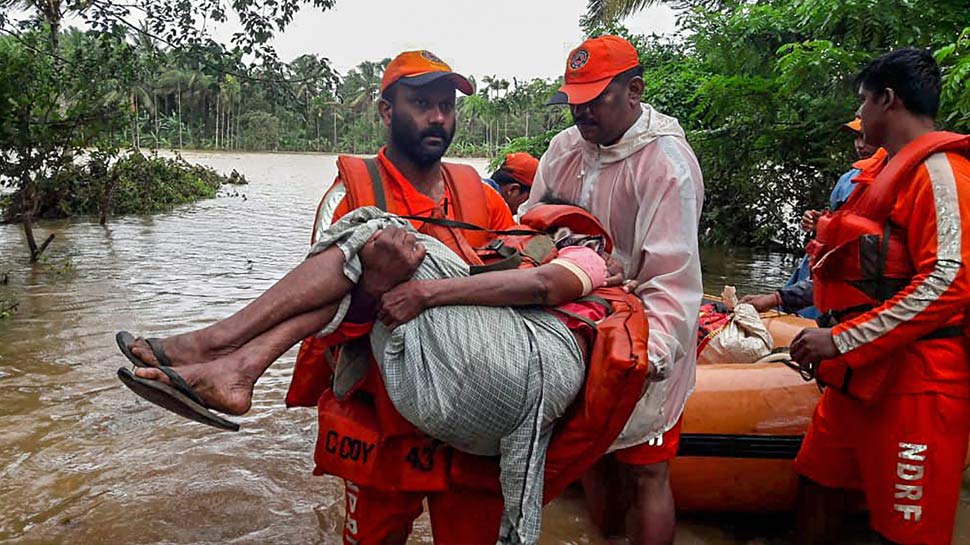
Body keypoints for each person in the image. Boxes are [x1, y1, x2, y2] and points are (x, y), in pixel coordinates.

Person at [116, 201, 631, 545]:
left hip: (472, 403)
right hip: (404, 410)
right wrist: (378, 288)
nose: (531, 236)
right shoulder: (498, 257)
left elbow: (542, 288)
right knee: (371, 257)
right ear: (388, 109)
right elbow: (342, 323)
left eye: (542, 232)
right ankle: (234, 366)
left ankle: (223, 349)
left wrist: (416, 289)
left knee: (375, 230)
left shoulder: (557, 248)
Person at [283, 50, 523, 545]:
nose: (439, 117)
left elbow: (522, 287)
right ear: (387, 111)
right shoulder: (349, 199)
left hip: (472, 417)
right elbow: (318, 321)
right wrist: (372, 289)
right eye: (421, 103)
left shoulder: (483, 197)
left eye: (446, 105)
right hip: (382, 417)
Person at [520, 34, 704, 545]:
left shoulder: (665, 162)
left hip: (644, 327)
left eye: (595, 99)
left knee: (647, 468)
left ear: (634, 91)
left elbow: (674, 275)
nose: (581, 114)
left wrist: (656, 356)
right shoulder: (562, 151)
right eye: (574, 103)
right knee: (592, 457)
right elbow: (531, 230)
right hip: (578, 325)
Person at [790, 47, 970, 545]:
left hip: (918, 385)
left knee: (905, 533)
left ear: (888, 101)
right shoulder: (880, 173)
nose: (860, 116)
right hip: (857, 380)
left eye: (863, 102)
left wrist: (840, 339)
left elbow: (949, 283)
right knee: (815, 487)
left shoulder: (941, 174)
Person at [741, 118, 886, 318]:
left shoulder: (888, 183)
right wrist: (818, 221)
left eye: (866, 137)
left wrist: (774, 298)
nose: (860, 145)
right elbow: (838, 221)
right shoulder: (848, 179)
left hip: (846, 278)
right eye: (857, 138)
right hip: (819, 269)